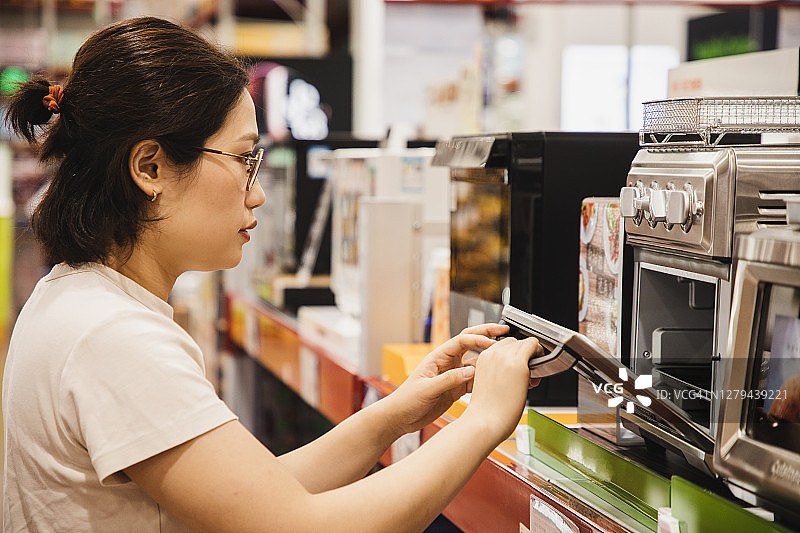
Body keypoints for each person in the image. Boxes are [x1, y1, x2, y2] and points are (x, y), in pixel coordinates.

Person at [2, 17, 542, 533]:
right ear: (151, 168)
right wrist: (482, 422)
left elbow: (257, 499)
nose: (257, 192)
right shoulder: (112, 337)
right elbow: (300, 526)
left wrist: (398, 413)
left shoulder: (77, 299)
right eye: (243, 160)